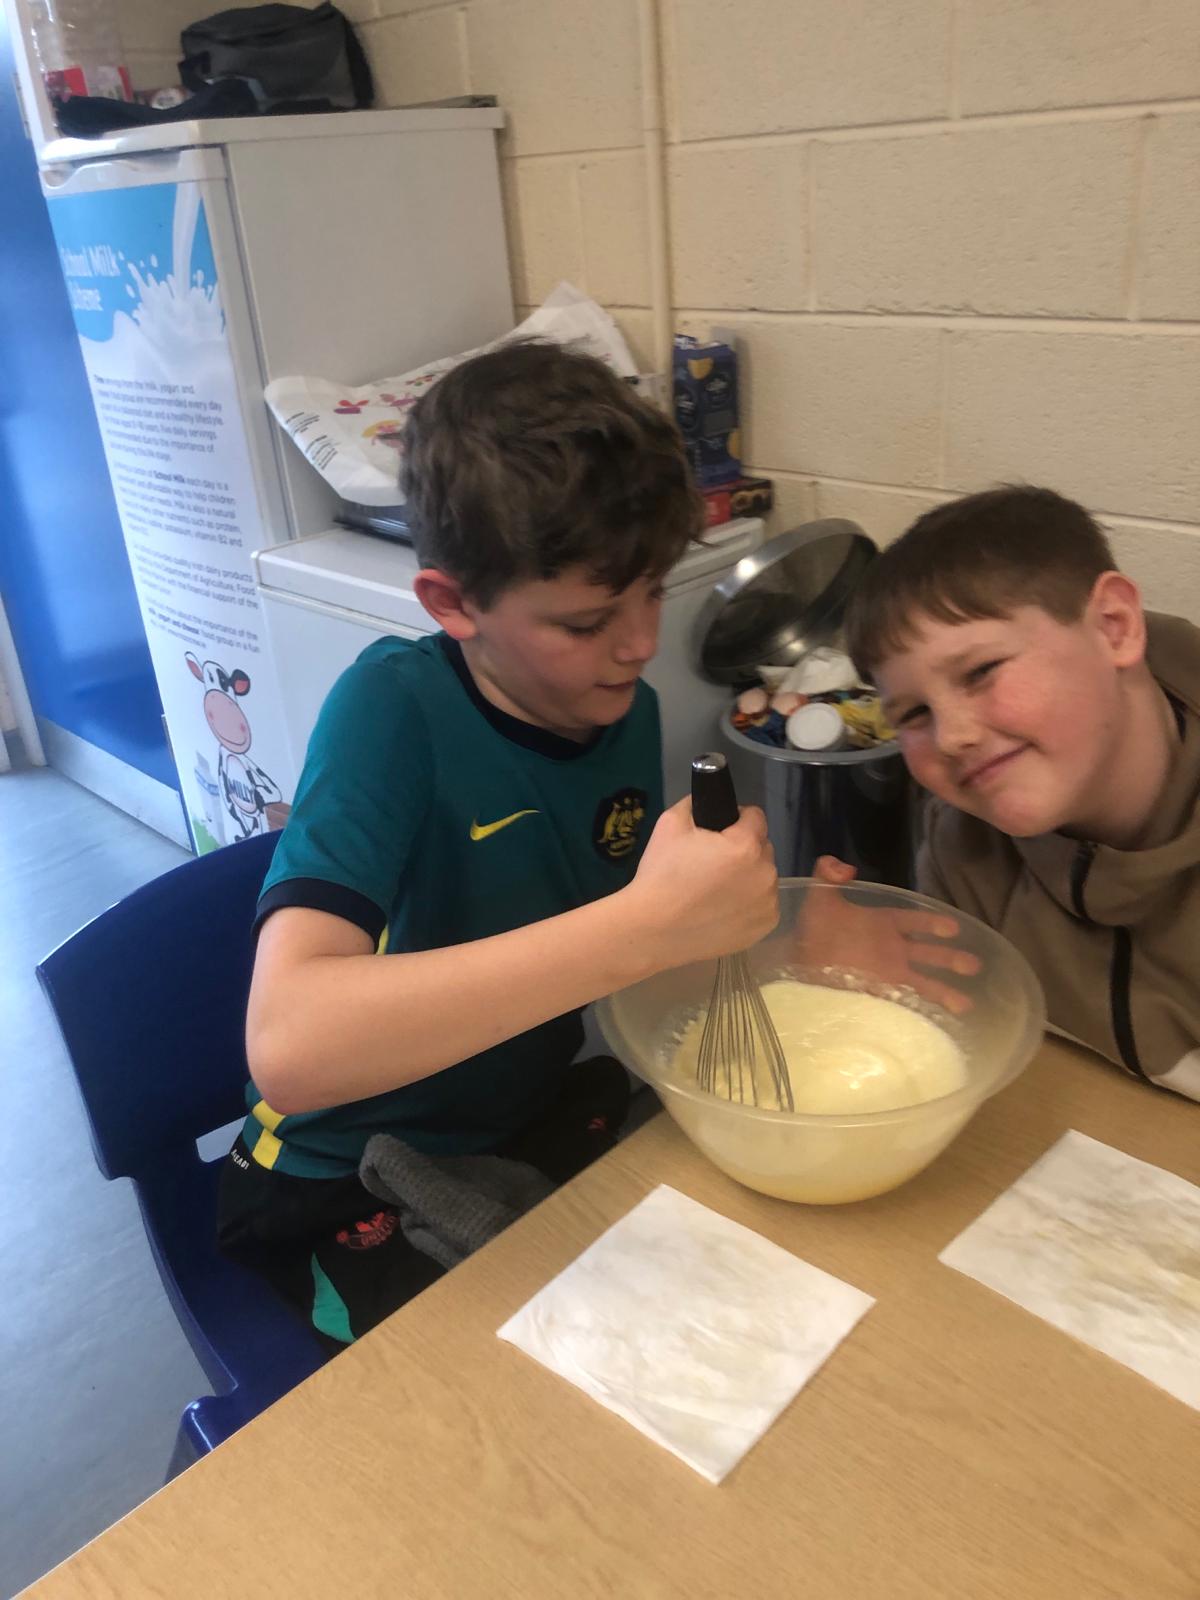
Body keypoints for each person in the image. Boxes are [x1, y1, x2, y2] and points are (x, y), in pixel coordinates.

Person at [217, 341, 778, 1346]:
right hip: (340, 1169)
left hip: (515, 1121)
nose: (641, 643)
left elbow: (632, 943)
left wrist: (764, 941)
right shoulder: (394, 712)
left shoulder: (623, 709)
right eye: (588, 621)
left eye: (654, 589)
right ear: (452, 604)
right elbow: (291, 1046)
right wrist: (643, 927)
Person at [831, 484, 1200, 1100]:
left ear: (1113, 627)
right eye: (915, 714)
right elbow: (975, 1040)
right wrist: (843, 981)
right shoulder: (961, 844)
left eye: (980, 672)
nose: (952, 737)